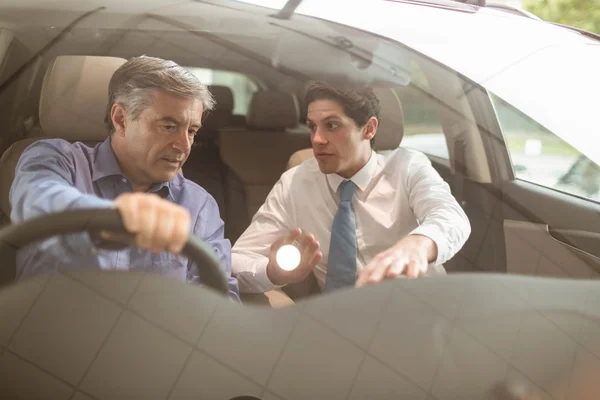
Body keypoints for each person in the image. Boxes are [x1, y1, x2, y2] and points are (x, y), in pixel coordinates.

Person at [9, 55, 240, 301]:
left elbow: (219, 299)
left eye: (192, 131)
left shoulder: (199, 204)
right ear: (121, 119)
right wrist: (109, 221)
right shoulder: (56, 159)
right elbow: (38, 204)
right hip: (50, 334)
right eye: (168, 126)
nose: (184, 146)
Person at [231, 81, 471, 294]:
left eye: (332, 126)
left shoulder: (407, 166)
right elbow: (236, 259)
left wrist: (417, 245)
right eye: (312, 126)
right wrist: (273, 272)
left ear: (369, 129)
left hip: (419, 311)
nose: (316, 139)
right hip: (341, 326)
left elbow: (451, 217)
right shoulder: (295, 183)